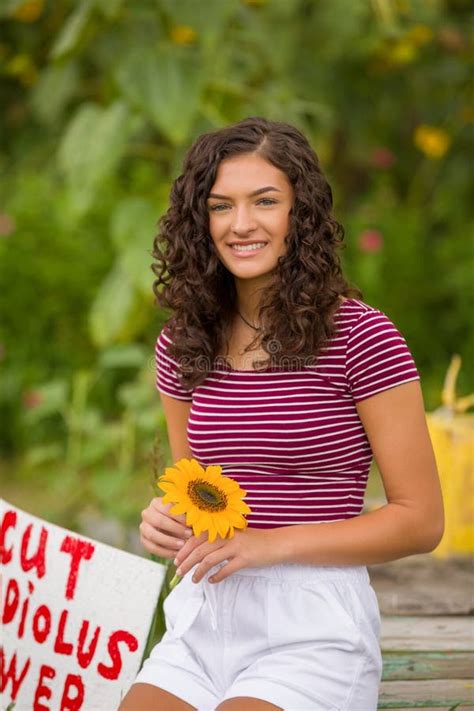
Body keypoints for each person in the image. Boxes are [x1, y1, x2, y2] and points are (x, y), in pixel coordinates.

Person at [119, 117, 444, 711]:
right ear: (201, 222)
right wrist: (165, 518)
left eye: (265, 201)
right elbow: (195, 488)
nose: (242, 224)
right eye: (221, 206)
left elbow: (421, 521)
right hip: (203, 614)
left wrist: (268, 544)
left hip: (312, 624)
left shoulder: (361, 338)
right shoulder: (183, 342)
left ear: (302, 214)